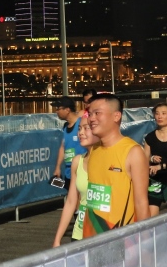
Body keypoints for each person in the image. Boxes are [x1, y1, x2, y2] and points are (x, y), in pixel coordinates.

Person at [82, 94, 150, 237]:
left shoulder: (133, 152)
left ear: (116, 116)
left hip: (122, 238)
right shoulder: (94, 150)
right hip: (91, 237)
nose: (91, 118)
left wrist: (145, 241)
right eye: (90, 114)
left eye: (97, 113)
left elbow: (141, 202)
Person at [52, 111, 100, 246]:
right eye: (79, 129)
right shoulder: (77, 162)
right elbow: (71, 202)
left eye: (86, 128)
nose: (80, 133)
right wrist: (57, 239)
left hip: (104, 233)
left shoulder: (112, 161)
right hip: (80, 233)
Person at [144, 103, 167, 216]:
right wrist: (151, 158)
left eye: (164, 113)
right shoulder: (150, 137)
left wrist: (160, 167)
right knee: (151, 219)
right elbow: (144, 160)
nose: (160, 116)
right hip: (155, 182)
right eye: (157, 113)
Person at [50, 96, 85, 191]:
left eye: (58, 108)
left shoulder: (82, 124)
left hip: (81, 170)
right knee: (69, 194)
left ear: (67, 110)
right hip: (69, 171)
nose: (56, 111)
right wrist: (58, 167)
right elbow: (63, 147)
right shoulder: (65, 127)